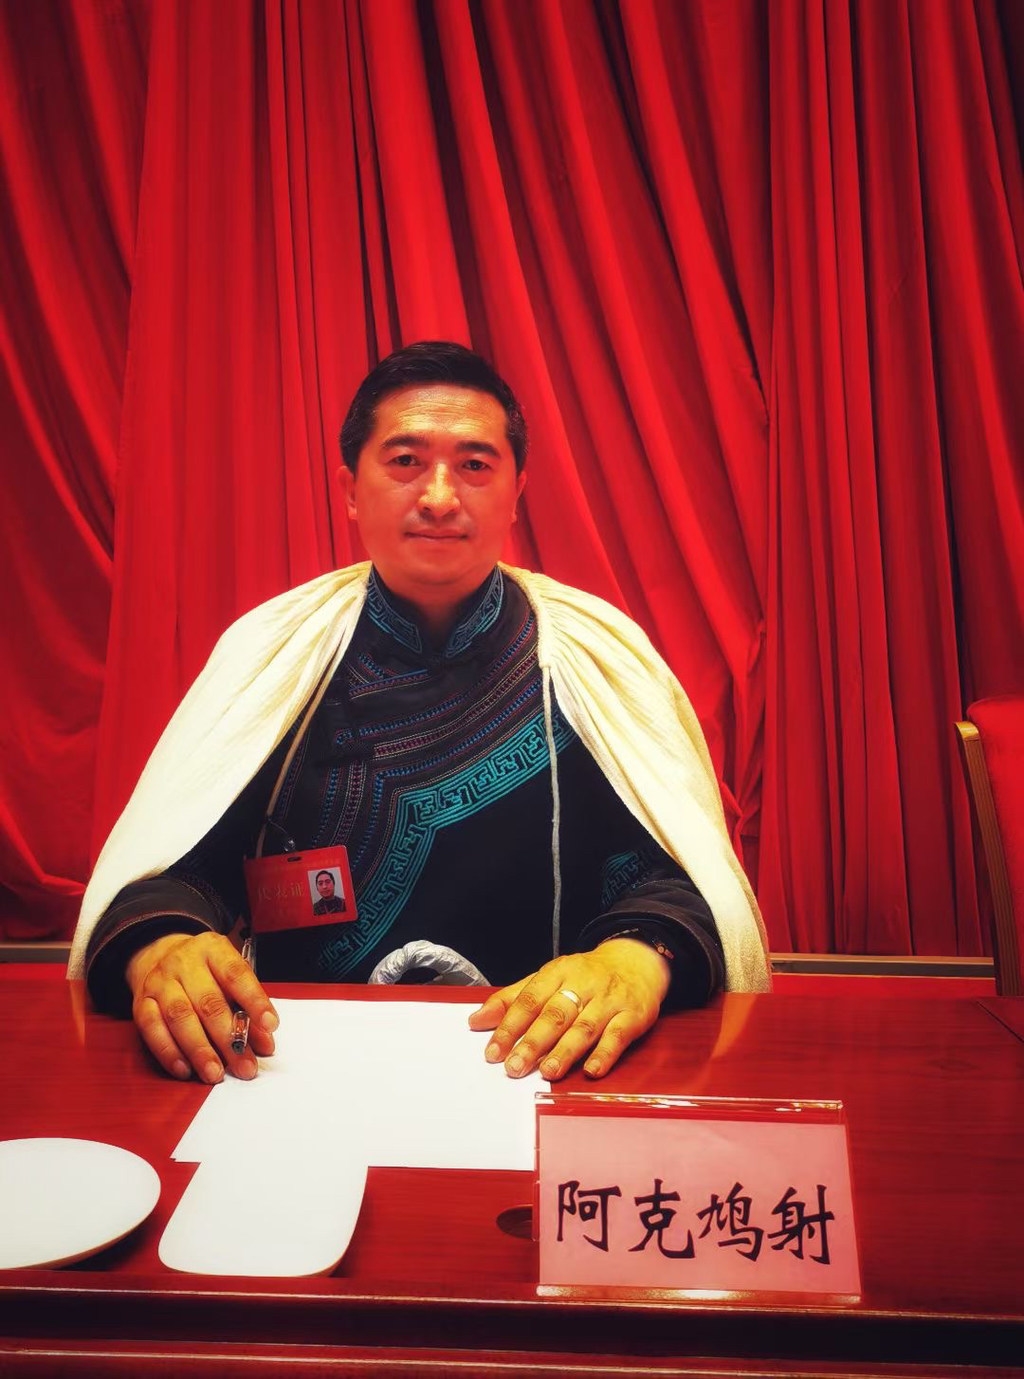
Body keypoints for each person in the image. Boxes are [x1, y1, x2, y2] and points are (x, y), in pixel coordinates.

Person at [68, 341, 770, 1089]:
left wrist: (634, 958)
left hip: (544, 1070)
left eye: (474, 465)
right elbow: (179, 871)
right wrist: (165, 947)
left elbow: (675, 878)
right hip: (294, 1073)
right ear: (350, 488)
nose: (439, 496)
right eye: (405, 461)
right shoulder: (273, 653)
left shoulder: (595, 656)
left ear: (516, 491)